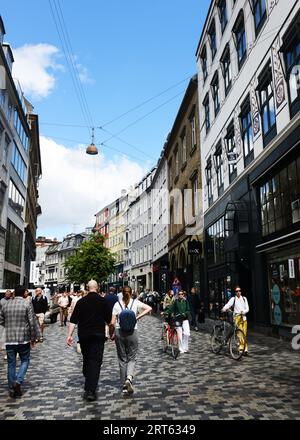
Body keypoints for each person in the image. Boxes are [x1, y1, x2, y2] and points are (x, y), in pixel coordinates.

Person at [67, 280, 112, 402]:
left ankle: (87, 375)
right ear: (97, 288)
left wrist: (69, 335)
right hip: (98, 335)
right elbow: (109, 320)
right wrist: (112, 333)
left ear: (87, 288)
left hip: (84, 335)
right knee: (95, 361)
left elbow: (73, 320)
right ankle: (90, 391)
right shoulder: (103, 301)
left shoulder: (81, 302)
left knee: (87, 358)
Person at [109, 286, 151, 396]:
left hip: (119, 332)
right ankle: (129, 378)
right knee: (132, 357)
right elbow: (149, 308)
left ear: (122, 293)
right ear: (131, 293)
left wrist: (111, 334)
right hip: (133, 332)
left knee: (122, 358)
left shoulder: (117, 304)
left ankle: (124, 385)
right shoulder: (135, 302)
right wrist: (136, 317)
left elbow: (112, 322)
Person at [0, 286, 40, 397]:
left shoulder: (6, 304)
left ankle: (12, 387)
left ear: (13, 293)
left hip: (10, 338)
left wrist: (9, 326)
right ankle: (18, 381)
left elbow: (1, 320)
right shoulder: (27, 304)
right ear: (24, 294)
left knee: (11, 364)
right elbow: (32, 322)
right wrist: (33, 338)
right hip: (23, 338)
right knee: (25, 360)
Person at [221, 285, 249, 355]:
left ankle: (244, 348)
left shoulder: (244, 298)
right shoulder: (233, 299)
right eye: (237, 291)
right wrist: (223, 309)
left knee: (244, 334)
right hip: (237, 317)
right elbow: (228, 305)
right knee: (239, 333)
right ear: (235, 292)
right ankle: (242, 349)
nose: (238, 292)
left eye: (239, 291)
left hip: (244, 317)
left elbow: (247, 308)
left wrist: (243, 312)